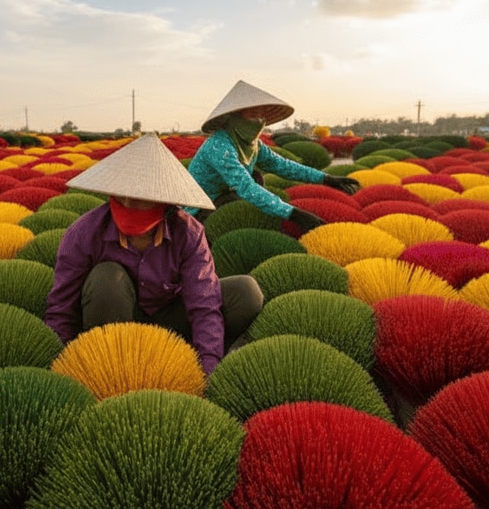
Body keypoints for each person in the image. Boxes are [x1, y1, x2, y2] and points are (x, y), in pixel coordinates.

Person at [43, 132, 264, 375]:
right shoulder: (84, 232)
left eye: (141, 197)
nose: (128, 203)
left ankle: (180, 358)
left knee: (246, 292)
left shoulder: (188, 233)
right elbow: (61, 308)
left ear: (164, 201)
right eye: (121, 194)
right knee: (106, 278)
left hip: (169, 320)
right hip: (111, 324)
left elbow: (204, 304)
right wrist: (56, 368)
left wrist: (208, 368)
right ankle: (110, 368)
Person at [186, 80, 359, 233]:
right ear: (233, 118)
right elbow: (245, 187)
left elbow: (284, 166)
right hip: (198, 211)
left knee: (257, 178)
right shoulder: (219, 146)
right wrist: (294, 214)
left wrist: (326, 178)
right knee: (252, 189)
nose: (259, 121)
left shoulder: (253, 145)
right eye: (253, 115)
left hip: (224, 199)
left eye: (262, 115)